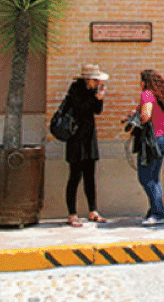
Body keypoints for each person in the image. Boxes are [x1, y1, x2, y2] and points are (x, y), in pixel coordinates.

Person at [64, 63, 109, 227]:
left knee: (90, 176)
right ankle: (72, 214)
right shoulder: (75, 90)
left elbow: (96, 111)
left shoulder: (92, 92)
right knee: (75, 176)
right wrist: (94, 99)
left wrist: (100, 99)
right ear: (89, 79)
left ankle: (93, 210)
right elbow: (80, 109)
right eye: (96, 80)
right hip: (75, 138)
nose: (98, 83)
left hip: (89, 138)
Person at [136, 69, 164, 226]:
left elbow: (146, 116)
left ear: (145, 82)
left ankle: (158, 212)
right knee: (153, 177)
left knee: (145, 177)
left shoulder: (147, 94)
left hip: (152, 140)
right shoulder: (159, 96)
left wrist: (136, 118)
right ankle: (154, 210)